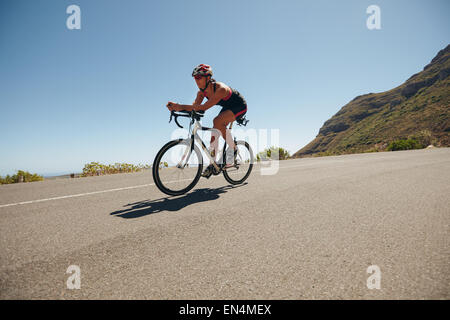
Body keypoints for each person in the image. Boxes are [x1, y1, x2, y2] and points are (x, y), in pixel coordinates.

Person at [166, 64, 248, 178]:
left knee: (218, 121)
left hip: (239, 106)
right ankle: (213, 164)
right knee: (215, 130)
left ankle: (233, 150)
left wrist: (179, 106)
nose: (196, 80)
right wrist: (179, 111)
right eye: (195, 78)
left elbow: (203, 107)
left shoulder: (220, 89)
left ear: (208, 78)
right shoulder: (201, 92)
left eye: (199, 77)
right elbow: (196, 107)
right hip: (228, 108)